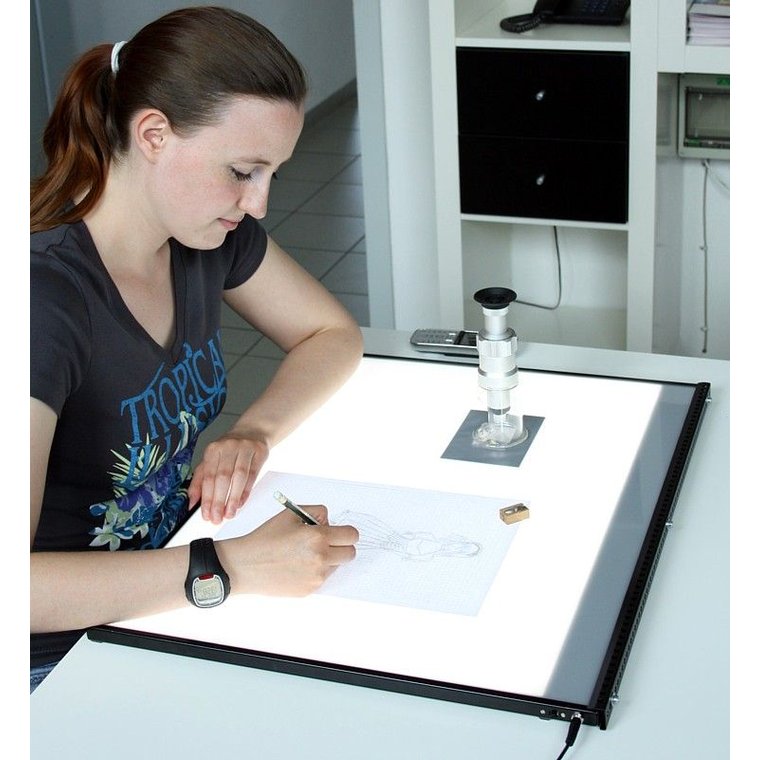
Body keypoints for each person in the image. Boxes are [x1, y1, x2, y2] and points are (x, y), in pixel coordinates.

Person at [30, 6, 362, 691]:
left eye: (271, 174)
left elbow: (332, 336)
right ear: (153, 134)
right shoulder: (41, 303)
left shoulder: (206, 235)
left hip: (161, 598)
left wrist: (254, 431)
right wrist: (230, 567)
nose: (258, 202)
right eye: (242, 170)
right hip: (57, 656)